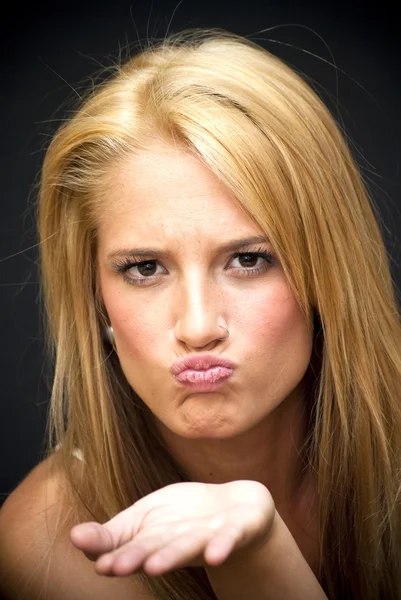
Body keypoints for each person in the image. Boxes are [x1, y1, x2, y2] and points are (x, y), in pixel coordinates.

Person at [0, 27, 400, 600]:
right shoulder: (49, 547)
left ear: (327, 274)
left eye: (248, 259)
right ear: (95, 296)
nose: (196, 327)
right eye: (144, 268)